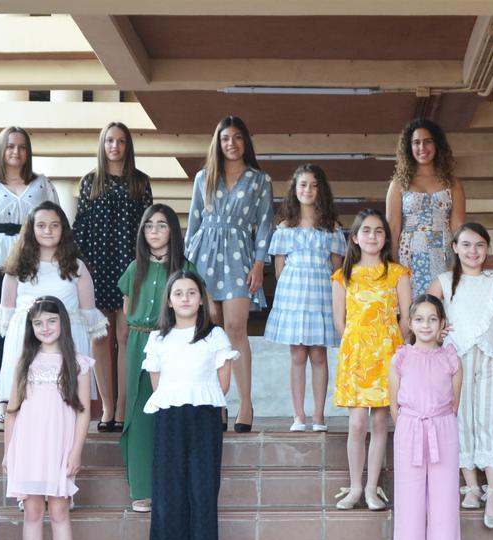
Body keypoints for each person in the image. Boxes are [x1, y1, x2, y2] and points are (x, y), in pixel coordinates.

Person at [142, 271, 238, 540]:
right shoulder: (158, 338)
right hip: (169, 417)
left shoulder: (214, 336)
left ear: (201, 299)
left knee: (202, 490)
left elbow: (223, 382)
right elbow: (157, 383)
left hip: (204, 416)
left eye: (192, 292)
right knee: (169, 492)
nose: (185, 298)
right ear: (169, 301)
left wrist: (200, 399)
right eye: (178, 293)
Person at [426, 223, 493, 529]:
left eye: (480, 245)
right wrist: (438, 333)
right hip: (456, 360)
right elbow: (425, 315)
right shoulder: (443, 282)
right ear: (455, 248)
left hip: (491, 358)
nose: (473, 251)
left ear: (487, 248)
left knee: (490, 420)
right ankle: (471, 486)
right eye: (466, 245)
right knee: (461, 419)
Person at [0, 126, 60, 430]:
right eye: (10, 146)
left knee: (37, 328)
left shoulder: (41, 185)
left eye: (21, 146)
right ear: (2, 151)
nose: (16, 152)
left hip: (34, 262)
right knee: (3, 330)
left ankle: (36, 398)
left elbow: (56, 220)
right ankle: (3, 401)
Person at [2, 296, 92, 540]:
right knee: (32, 511)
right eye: (38, 323)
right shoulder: (24, 362)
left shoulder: (78, 363)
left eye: (51, 321)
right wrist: (8, 452)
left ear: (62, 323)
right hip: (28, 446)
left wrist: (76, 451)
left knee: (58, 510)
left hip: (59, 445)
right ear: (31, 327)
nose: (45, 327)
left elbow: (83, 412)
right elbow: (12, 411)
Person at [185, 115, 273, 433]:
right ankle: (217, 404)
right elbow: (194, 222)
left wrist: (259, 263)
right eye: (225, 138)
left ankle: (245, 403)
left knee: (236, 328)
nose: (231, 143)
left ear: (245, 141)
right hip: (204, 256)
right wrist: (187, 269)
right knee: (211, 330)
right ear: (217, 143)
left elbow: (266, 224)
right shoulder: (204, 177)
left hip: (240, 256)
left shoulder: (259, 180)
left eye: (237, 137)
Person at [73, 122, 154, 432]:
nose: (115, 146)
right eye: (109, 140)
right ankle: (107, 406)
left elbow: (149, 228)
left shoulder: (140, 182)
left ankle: (122, 407)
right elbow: (80, 227)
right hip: (97, 266)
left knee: (125, 336)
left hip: (130, 267)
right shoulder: (90, 182)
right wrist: (80, 269)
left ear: (127, 146)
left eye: (121, 141)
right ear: (102, 144)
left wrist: (146, 267)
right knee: (100, 337)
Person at [0, 203, 107, 414]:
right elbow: (7, 309)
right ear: (31, 229)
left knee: (60, 405)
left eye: (54, 225)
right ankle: (7, 405)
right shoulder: (17, 266)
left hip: (66, 337)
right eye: (41, 225)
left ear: (63, 229)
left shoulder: (77, 266)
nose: (48, 231)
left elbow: (88, 312)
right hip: (26, 337)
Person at [117, 204, 195, 514]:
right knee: (140, 413)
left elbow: (198, 308)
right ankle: (142, 488)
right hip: (140, 343)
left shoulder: (185, 267)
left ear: (173, 230)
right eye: (149, 225)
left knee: (173, 411)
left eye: (162, 225)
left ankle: (175, 486)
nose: (154, 231)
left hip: (173, 343)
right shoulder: (133, 268)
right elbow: (127, 309)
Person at [331, 209, 410, 510]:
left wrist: (391, 346)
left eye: (379, 231)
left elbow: (406, 319)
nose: (372, 236)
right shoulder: (342, 276)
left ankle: (371, 489)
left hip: (388, 354)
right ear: (354, 237)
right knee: (357, 423)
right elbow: (340, 322)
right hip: (356, 355)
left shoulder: (398, 274)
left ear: (386, 238)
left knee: (379, 422)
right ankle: (354, 487)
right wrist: (359, 345)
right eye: (366, 230)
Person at [388, 295, 463, 540]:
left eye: (433, 319)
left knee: (444, 504)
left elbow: (454, 403)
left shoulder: (451, 359)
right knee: (410, 505)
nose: (426, 325)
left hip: (442, 429)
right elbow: (394, 405)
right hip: (410, 430)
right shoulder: (401, 358)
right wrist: (410, 427)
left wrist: (437, 423)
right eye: (419, 319)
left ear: (442, 323)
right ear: (410, 323)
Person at [265, 164, 347, 431]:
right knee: (298, 355)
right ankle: (298, 416)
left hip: (321, 296)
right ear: (294, 189)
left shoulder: (331, 229)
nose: (308, 190)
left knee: (319, 355)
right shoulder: (284, 228)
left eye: (314, 185)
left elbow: (337, 272)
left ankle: (319, 416)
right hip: (294, 298)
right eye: (303, 184)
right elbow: (279, 270)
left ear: (321, 190)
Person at [386, 118, 466, 299]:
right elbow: (393, 228)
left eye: (428, 141)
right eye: (416, 142)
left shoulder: (452, 183)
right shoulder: (398, 183)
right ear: (409, 147)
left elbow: (458, 227)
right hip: (409, 255)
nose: (422, 147)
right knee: (412, 307)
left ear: (437, 144)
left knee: (442, 305)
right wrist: (392, 266)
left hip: (444, 254)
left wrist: (459, 264)